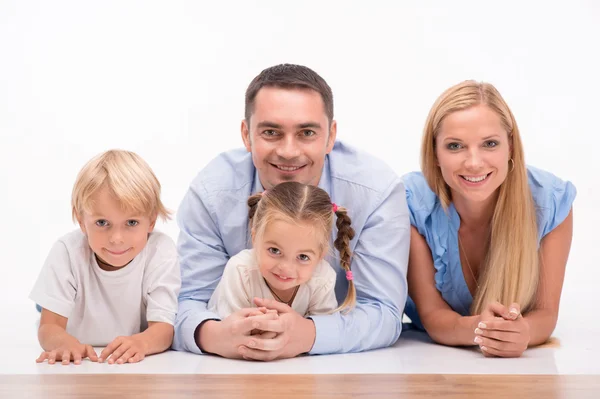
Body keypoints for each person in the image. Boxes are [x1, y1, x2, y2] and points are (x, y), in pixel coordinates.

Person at [174, 63, 410, 360]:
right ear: (247, 135)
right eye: (271, 132)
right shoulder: (211, 192)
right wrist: (214, 335)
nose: (288, 151)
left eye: (307, 132)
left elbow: (384, 312)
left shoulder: (376, 190)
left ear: (330, 135)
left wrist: (307, 335)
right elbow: (187, 301)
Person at [403, 80, 576, 357]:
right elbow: (433, 316)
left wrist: (524, 333)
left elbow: (545, 313)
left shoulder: (551, 201)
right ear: (435, 154)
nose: (474, 162)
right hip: (429, 362)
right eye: (455, 146)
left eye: (490, 144)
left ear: (510, 147)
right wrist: (483, 330)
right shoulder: (411, 203)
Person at [30, 150, 181, 365]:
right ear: (81, 220)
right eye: (102, 223)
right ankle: (46, 298)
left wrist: (142, 343)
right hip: (78, 326)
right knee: (48, 304)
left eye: (131, 223)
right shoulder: (67, 251)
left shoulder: (161, 251)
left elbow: (164, 328)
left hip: (118, 354)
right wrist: (62, 342)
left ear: (151, 220)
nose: (116, 239)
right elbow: (48, 326)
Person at [208, 181, 356, 319]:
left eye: (303, 257)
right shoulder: (240, 270)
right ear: (255, 238)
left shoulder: (322, 278)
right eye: (274, 250)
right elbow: (231, 331)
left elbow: (322, 332)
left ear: (320, 255)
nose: (286, 268)